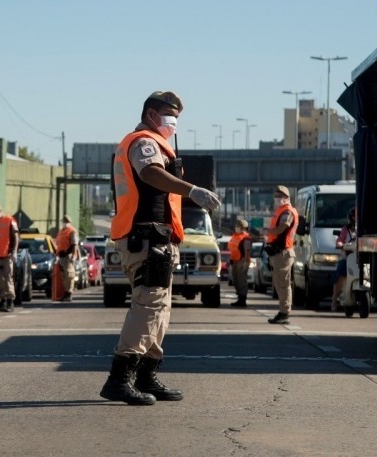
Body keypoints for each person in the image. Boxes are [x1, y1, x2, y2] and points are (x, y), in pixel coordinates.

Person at [100, 90, 221, 406]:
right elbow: (150, 173)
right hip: (145, 237)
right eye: (170, 115)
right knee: (148, 306)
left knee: (159, 310)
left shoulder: (150, 142)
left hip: (157, 239)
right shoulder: (144, 142)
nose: (174, 122)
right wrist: (191, 190)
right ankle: (119, 378)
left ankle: (145, 375)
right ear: (152, 115)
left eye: (177, 117)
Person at [265, 184, 299, 325]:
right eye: (276, 196)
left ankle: (284, 313)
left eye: (280, 196)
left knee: (283, 284)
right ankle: (283, 311)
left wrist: (267, 231)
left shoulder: (287, 212)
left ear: (287, 197)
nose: (277, 198)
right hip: (279, 252)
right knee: (280, 283)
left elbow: (283, 227)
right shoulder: (281, 210)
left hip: (283, 252)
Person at [331, 207, 357, 311]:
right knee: (341, 273)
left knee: (368, 273)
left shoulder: (364, 229)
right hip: (347, 258)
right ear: (352, 218)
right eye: (355, 216)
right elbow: (340, 240)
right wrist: (341, 245)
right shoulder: (345, 230)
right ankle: (334, 299)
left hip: (362, 258)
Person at [228, 218, 253, 307]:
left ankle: (242, 299)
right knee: (236, 280)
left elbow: (247, 250)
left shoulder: (246, 238)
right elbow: (232, 249)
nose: (237, 228)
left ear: (243, 228)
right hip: (234, 261)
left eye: (238, 226)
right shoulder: (234, 236)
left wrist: (246, 262)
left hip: (242, 261)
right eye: (236, 226)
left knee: (242, 281)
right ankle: (239, 297)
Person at [55, 214, 79, 302]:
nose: (65, 223)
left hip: (68, 255)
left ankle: (69, 293)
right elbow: (58, 243)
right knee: (64, 275)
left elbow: (74, 244)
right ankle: (66, 292)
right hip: (61, 256)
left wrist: (73, 255)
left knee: (69, 275)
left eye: (66, 222)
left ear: (69, 222)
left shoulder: (72, 231)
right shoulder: (61, 231)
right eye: (64, 221)